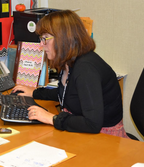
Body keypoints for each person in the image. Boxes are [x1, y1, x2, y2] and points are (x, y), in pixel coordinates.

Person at [12, 10, 129, 138]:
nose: (41, 44)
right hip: (83, 129)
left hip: (104, 137)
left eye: (45, 39)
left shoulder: (85, 70)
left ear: (63, 39)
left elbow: (93, 124)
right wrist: (34, 92)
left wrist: (53, 118)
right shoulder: (69, 61)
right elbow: (68, 94)